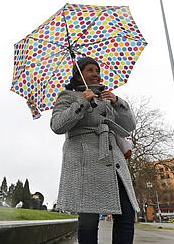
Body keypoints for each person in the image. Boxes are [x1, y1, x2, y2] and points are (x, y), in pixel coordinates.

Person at [50, 56, 139, 244]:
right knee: (88, 221)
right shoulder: (67, 96)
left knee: (126, 213)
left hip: (112, 160)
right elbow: (57, 125)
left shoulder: (106, 99)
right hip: (86, 162)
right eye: (90, 70)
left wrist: (117, 102)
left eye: (97, 71)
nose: (95, 74)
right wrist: (81, 102)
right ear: (78, 74)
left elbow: (129, 125)